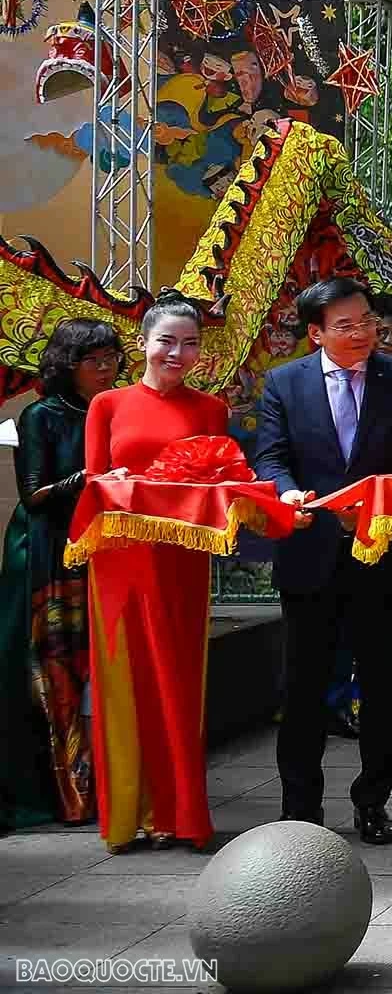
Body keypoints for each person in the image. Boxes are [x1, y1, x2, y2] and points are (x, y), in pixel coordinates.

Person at [252, 276, 392, 845]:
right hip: (310, 550)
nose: (362, 334)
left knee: (380, 684)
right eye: (346, 326)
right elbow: (272, 456)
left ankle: (373, 802)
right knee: (303, 687)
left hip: (380, 551)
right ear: (316, 333)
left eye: (368, 323)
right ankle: (299, 807)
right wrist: (285, 493)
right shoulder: (284, 382)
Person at [83, 297, 228, 850]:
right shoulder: (108, 405)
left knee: (180, 680)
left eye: (190, 343)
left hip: (182, 560)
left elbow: (221, 482)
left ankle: (179, 813)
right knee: (125, 679)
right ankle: (125, 815)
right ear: (142, 343)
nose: (178, 352)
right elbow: (94, 482)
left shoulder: (210, 410)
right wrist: (116, 482)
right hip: (120, 558)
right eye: (167, 340)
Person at [1, 318, 118, 827]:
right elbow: (34, 496)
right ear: (69, 364)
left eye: (113, 358)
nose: (108, 369)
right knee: (50, 672)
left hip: (96, 547)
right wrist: (87, 479)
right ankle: (59, 791)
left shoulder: (112, 409)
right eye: (96, 360)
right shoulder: (41, 416)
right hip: (46, 551)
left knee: (95, 669)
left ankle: (98, 785)